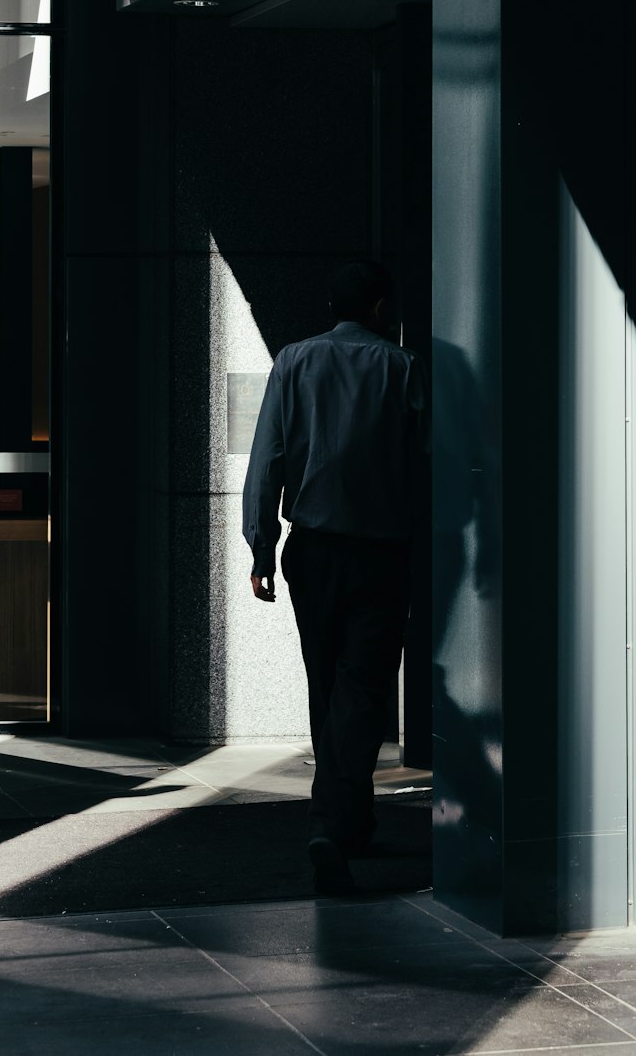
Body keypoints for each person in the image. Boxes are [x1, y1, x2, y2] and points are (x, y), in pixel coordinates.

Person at [242, 261, 427, 894]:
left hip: (313, 552)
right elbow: (426, 466)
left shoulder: (294, 362)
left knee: (328, 686)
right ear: (380, 308)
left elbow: (267, 458)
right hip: (381, 553)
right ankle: (334, 821)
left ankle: (349, 821)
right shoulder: (401, 369)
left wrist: (262, 546)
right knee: (364, 690)